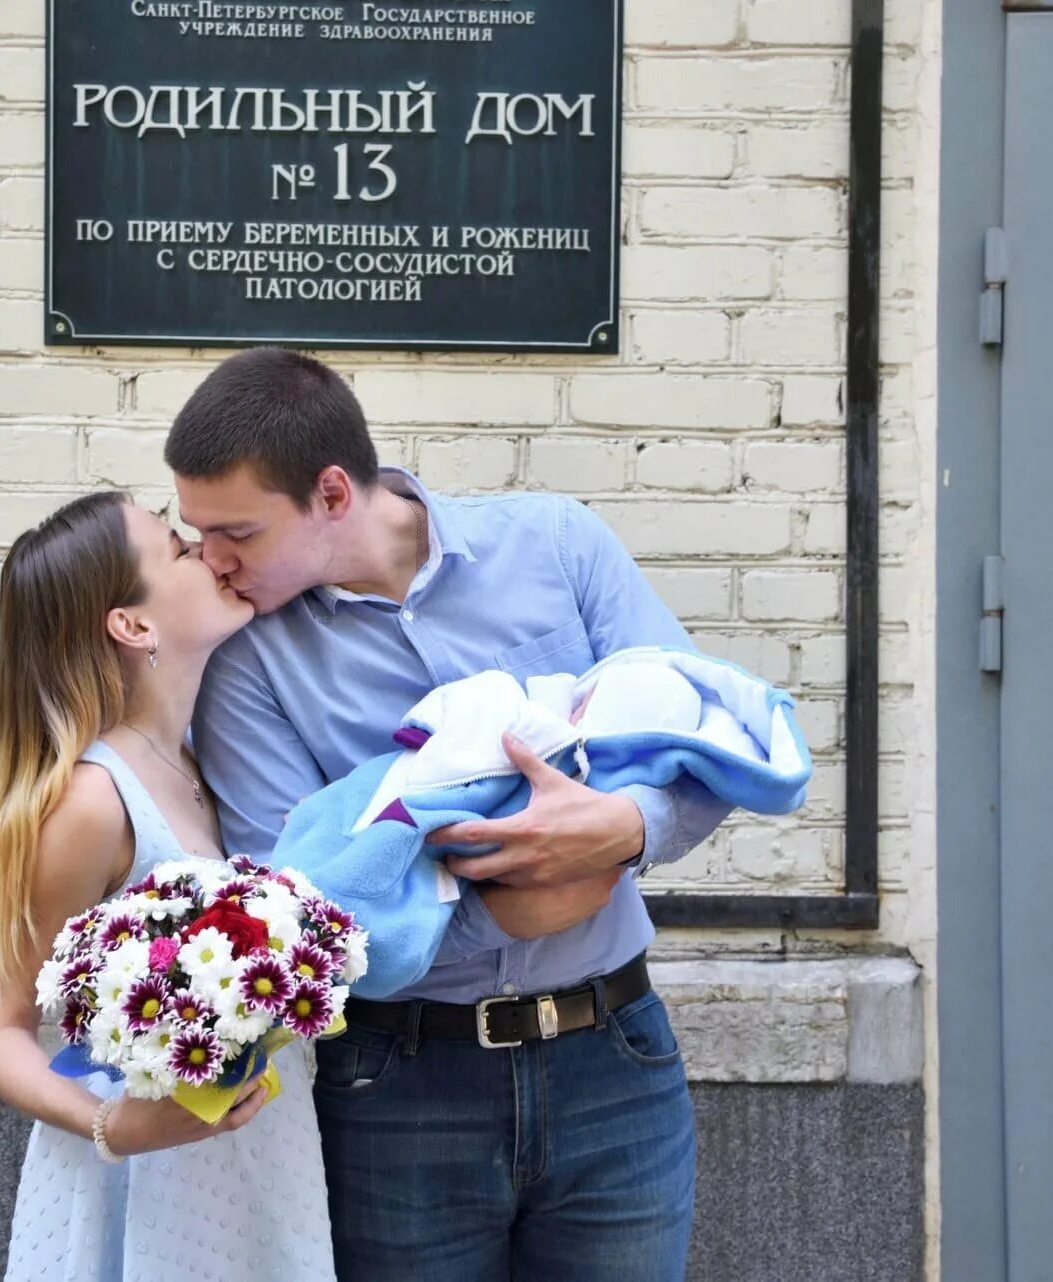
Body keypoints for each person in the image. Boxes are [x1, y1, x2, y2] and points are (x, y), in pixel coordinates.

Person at [171, 347, 734, 1281]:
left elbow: (702, 731)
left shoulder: (557, 545)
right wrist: (506, 904)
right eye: (195, 533)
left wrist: (623, 832)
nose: (212, 563)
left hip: (616, 1060)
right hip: (401, 1084)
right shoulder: (248, 662)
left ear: (334, 493)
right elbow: (294, 906)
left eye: (236, 531)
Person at [0, 491, 336, 1282]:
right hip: (145, 1184)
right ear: (132, 625)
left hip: (256, 1165)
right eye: (176, 549)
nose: (207, 554)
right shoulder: (93, 802)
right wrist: (111, 1126)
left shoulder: (210, 757)